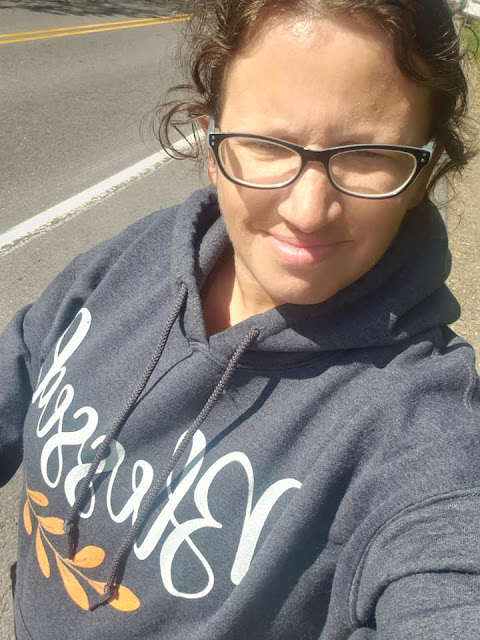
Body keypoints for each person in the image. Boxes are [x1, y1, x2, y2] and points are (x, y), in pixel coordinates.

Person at [1, 0, 479, 638]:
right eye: (266, 144)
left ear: (423, 173)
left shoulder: (420, 426)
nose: (308, 211)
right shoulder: (142, 254)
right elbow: (25, 354)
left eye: (368, 154)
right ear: (211, 142)